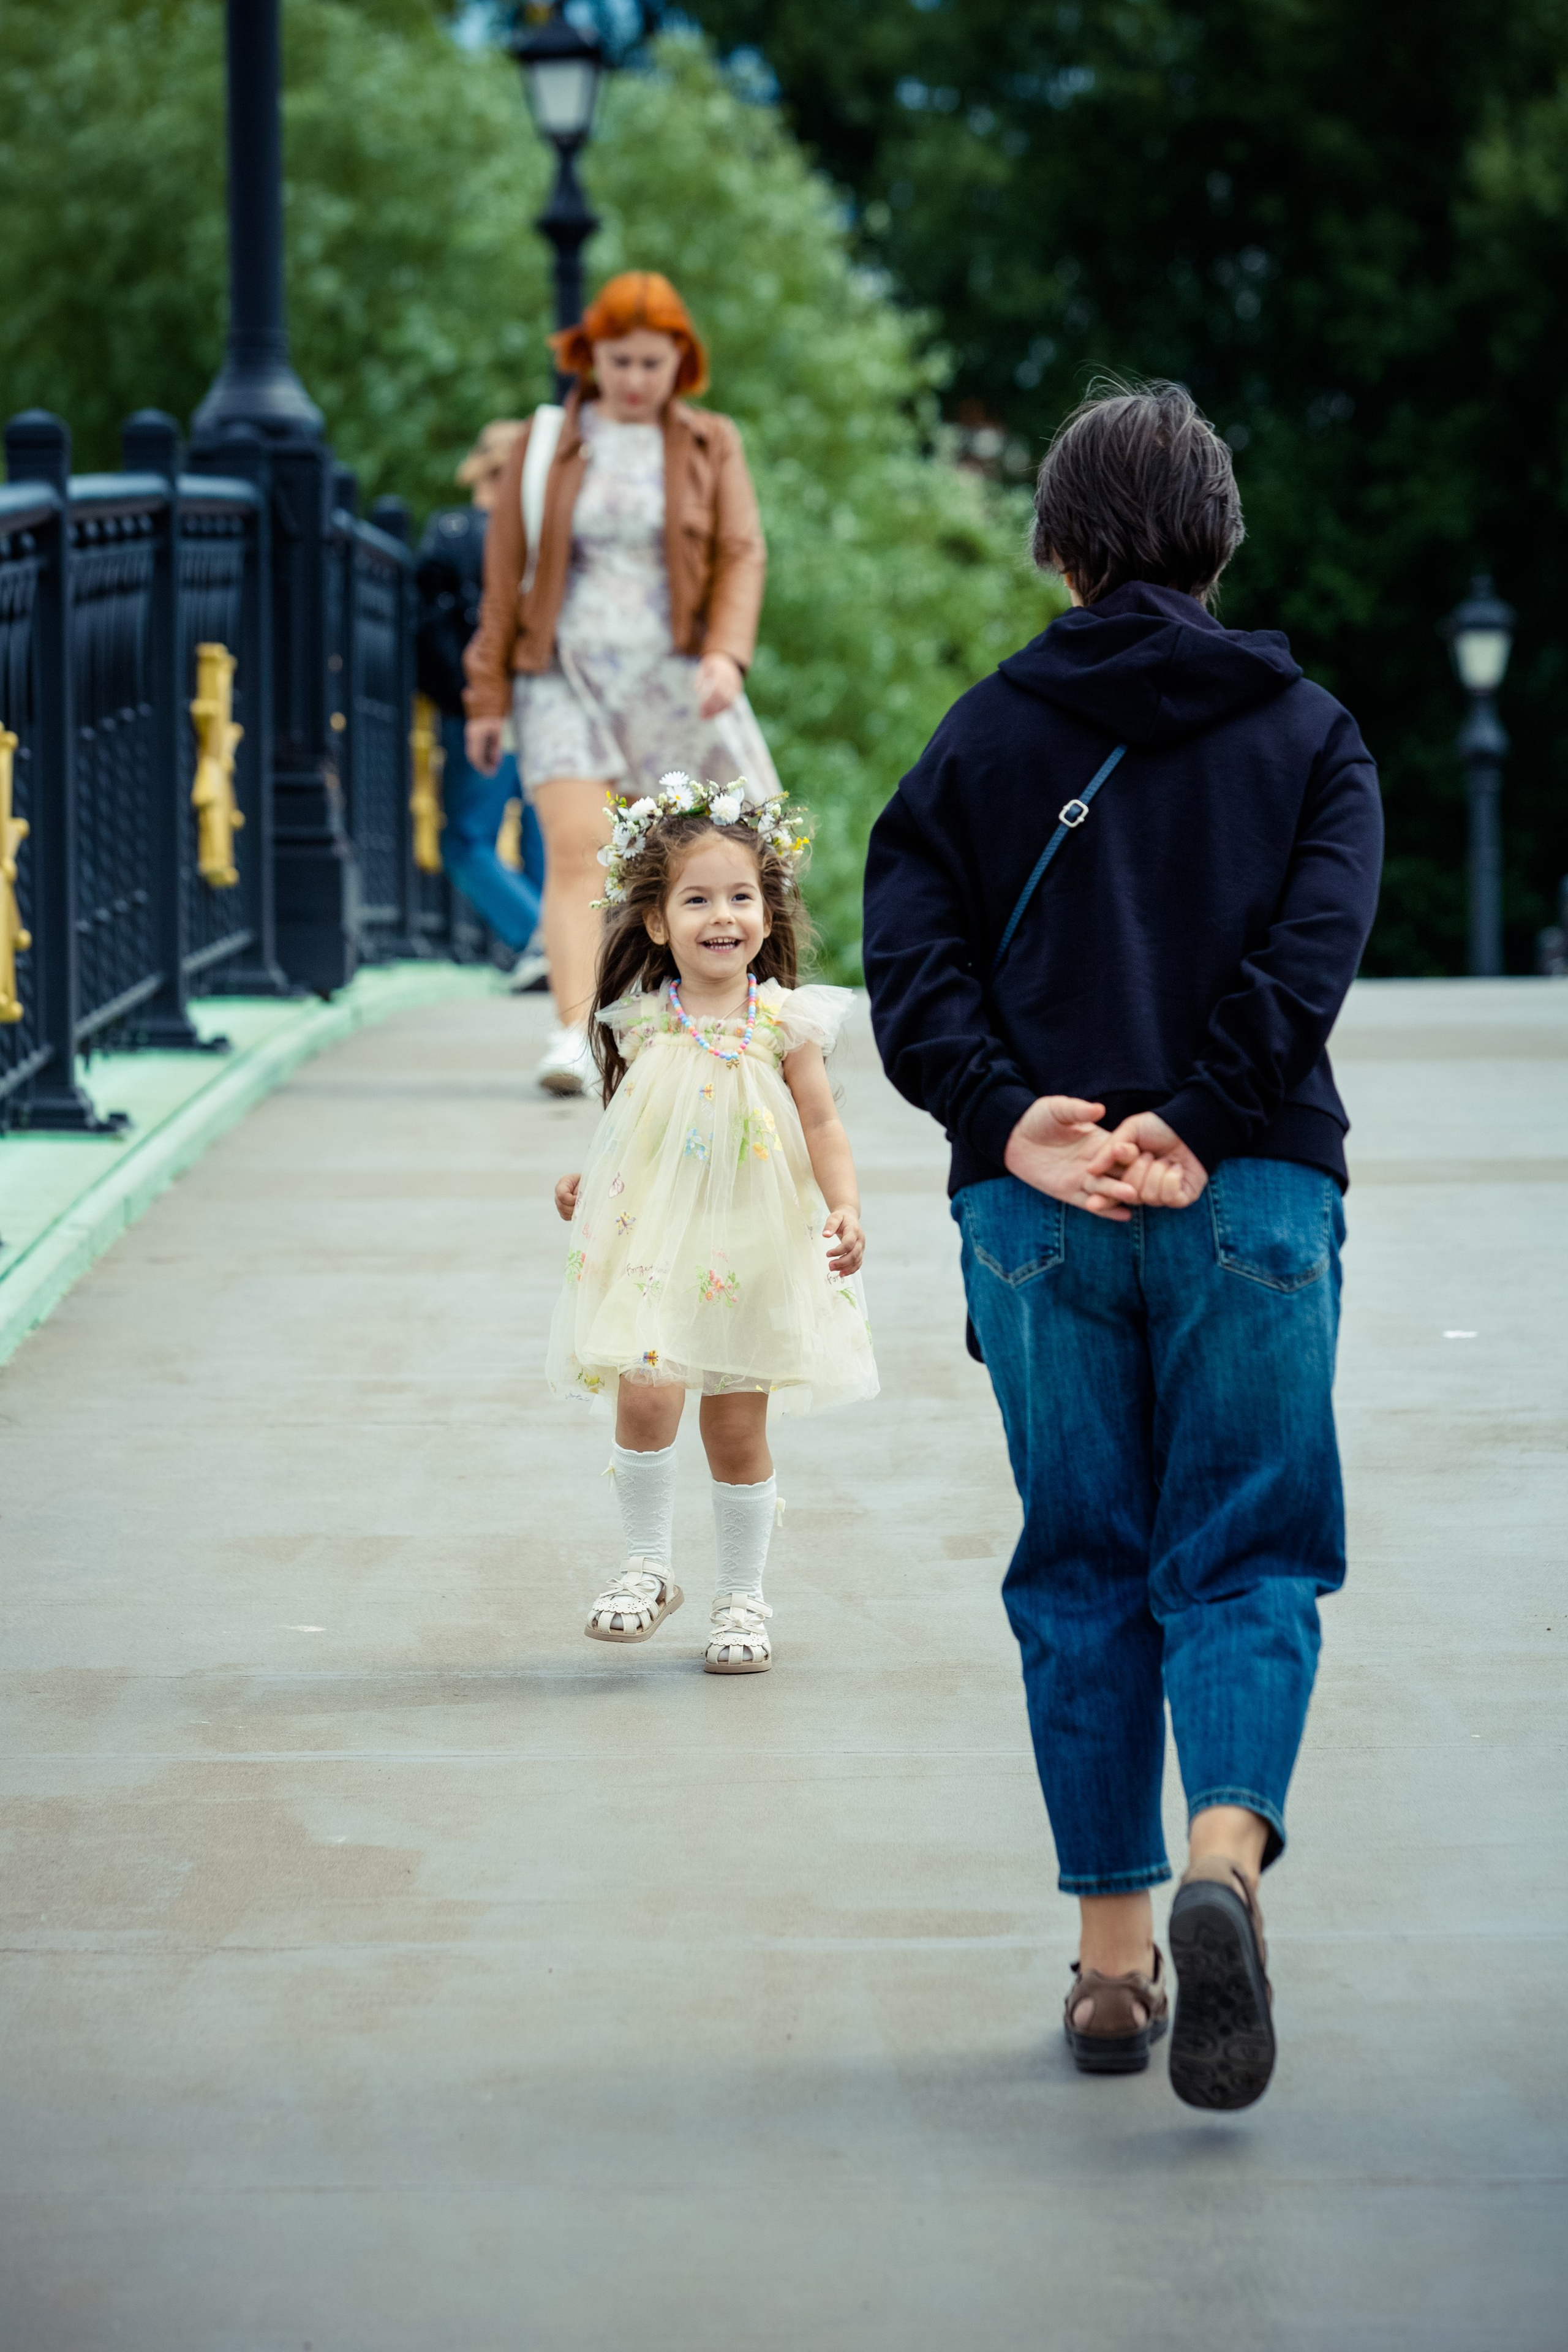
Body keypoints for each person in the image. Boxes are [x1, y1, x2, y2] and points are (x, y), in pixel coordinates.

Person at [862, 381, 1382, 2111]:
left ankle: (1108, 1967)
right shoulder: (1311, 734)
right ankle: (1224, 1856)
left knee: (1080, 1564)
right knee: (1244, 1554)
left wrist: (1011, 1114)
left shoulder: (982, 737)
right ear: (1219, 540)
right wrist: (1206, 1115)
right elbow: (1313, 956)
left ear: (1061, 545)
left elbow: (911, 952)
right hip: (1243, 1197)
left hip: (1039, 1207)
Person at [548, 770, 877, 1674]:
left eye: (740, 897)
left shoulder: (786, 1021)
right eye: (697, 899)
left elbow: (820, 1123)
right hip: (659, 1242)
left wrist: (844, 1207)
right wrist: (592, 1176)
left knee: (735, 1426)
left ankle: (742, 1593)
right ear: (658, 922)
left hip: (756, 1247)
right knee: (644, 1394)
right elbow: (634, 1124)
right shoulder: (646, 1022)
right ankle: (648, 1566)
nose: (721, 916)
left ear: (768, 917)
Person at [465, 271, 776, 1098]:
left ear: (681, 361)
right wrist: (486, 695)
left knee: (691, 858)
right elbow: (503, 576)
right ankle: (573, 1032)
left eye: (652, 361)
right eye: (620, 361)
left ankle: (691, 1020)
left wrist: (727, 653)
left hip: (673, 678)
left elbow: (743, 552)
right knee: (578, 851)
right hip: (561, 674)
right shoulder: (544, 446)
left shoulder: (712, 442)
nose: (636, 379)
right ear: (589, 358)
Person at [415, 420, 548, 986]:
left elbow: (426, 628)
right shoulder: (547, 537)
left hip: (481, 707)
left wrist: (455, 698)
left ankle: (544, 939)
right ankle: (565, 944)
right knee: (547, 831)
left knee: (467, 838)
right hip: (548, 699)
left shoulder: (453, 533)